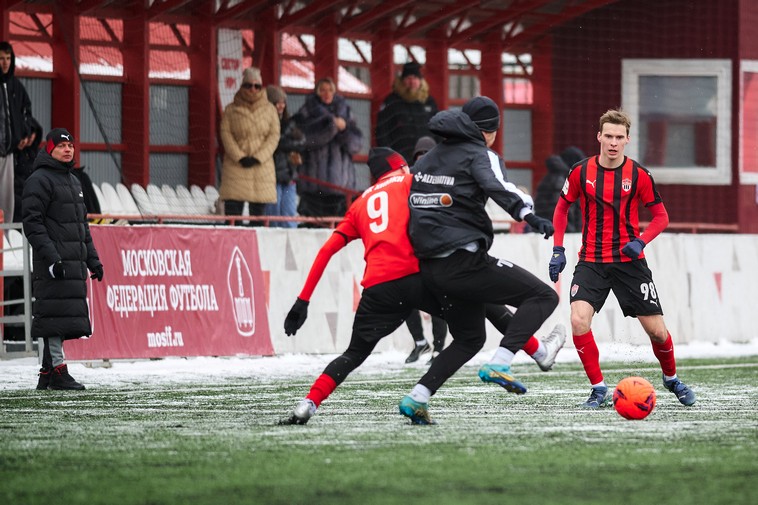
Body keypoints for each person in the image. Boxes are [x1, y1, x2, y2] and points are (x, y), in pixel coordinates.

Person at [279, 147, 564, 425]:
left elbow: (326, 250)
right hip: (419, 278)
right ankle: (537, 351)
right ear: (400, 167)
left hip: (378, 287)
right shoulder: (410, 183)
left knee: (353, 354)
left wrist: (302, 301)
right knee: (478, 309)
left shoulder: (358, 205)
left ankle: (309, 403)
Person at [401, 96, 560, 424]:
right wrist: (530, 215)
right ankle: (502, 362)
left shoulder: (429, 158)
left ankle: (417, 398)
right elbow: (498, 187)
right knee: (543, 296)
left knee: (470, 338)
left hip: (429, 268)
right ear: (491, 132)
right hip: (463, 262)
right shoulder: (480, 154)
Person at [548, 108, 696, 408]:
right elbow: (562, 207)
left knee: (656, 331)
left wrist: (640, 241)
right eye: (609, 136)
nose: (613, 142)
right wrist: (558, 249)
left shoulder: (639, 175)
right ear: (599, 137)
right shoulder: (580, 172)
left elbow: (661, 217)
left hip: (630, 263)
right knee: (578, 320)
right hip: (591, 261)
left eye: (619, 137)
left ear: (627, 139)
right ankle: (598, 389)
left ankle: (671, 379)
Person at [22, 128, 104, 390]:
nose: (68, 149)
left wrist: (93, 260)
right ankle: (58, 370)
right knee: (53, 316)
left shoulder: (74, 181)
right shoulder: (39, 180)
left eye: (70, 145)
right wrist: (51, 258)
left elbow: (82, 228)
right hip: (53, 263)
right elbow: (32, 223)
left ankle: (48, 373)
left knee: (59, 316)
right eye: (61, 146)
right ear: (50, 149)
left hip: (72, 262)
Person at [293, 77, 363, 220]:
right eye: (323, 90)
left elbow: (356, 145)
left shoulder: (346, 113)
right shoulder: (306, 112)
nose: (327, 94)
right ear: (317, 92)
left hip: (340, 186)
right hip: (314, 184)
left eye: (330, 90)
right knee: (312, 226)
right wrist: (332, 126)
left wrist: (343, 130)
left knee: (338, 227)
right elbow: (306, 140)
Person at [403, 136, 446, 364]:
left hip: (437, 247)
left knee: (439, 300)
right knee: (405, 298)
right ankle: (420, 342)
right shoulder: (407, 180)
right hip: (412, 247)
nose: (422, 160)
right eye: (418, 156)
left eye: (426, 155)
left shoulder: (445, 179)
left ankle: (438, 348)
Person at [218, 67, 279, 222]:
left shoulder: (270, 110)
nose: (253, 89)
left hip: (262, 168)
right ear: (242, 86)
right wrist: (240, 157)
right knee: (233, 219)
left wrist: (259, 157)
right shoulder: (230, 110)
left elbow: (274, 136)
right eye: (248, 85)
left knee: (258, 220)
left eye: (257, 86)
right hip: (235, 167)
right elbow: (226, 134)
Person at [375, 61, 438, 162]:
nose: (412, 82)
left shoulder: (429, 102)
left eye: (415, 78)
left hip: (427, 159)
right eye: (408, 78)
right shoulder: (391, 102)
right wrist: (389, 156)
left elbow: (438, 130)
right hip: (399, 160)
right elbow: (382, 131)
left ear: (421, 81)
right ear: (402, 81)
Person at [0, 41, 35, 224]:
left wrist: (24, 135)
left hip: (9, 153)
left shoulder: (17, 86)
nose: (5, 62)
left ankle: (4, 235)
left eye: (8, 58)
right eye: (1, 58)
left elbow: (27, 112)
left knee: (7, 200)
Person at [264, 85, 305, 228]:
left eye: (283, 102)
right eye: (277, 102)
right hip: (272, 176)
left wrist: (284, 144)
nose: (281, 106)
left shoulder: (290, 123)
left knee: (289, 216)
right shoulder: (265, 123)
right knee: (273, 217)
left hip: (288, 175)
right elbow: (274, 144)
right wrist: (288, 144)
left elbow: (302, 141)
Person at [12, 117, 42, 223]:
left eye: (33, 133)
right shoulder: (13, 154)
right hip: (18, 195)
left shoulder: (38, 153)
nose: (31, 137)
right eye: (28, 133)